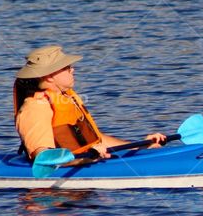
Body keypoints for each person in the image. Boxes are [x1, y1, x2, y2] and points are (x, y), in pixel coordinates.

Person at [13, 45, 166, 161]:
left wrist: (140, 146)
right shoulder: (36, 108)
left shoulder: (67, 98)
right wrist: (86, 158)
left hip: (85, 169)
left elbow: (97, 140)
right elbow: (44, 157)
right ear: (49, 77)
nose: (72, 70)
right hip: (61, 197)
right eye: (66, 68)